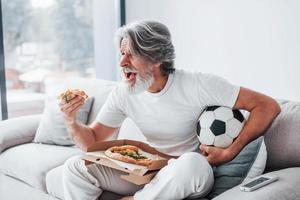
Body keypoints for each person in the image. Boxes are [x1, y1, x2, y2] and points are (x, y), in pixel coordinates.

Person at [59, 20, 281, 200]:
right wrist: (71, 121)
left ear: (156, 57)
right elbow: (92, 142)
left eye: (131, 54)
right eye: (121, 53)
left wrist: (230, 151)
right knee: (74, 167)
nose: (121, 63)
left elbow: (267, 106)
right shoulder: (123, 92)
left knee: (191, 163)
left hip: (187, 174)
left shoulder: (197, 84)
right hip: (146, 173)